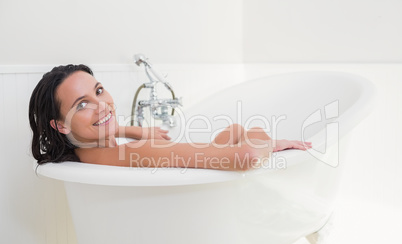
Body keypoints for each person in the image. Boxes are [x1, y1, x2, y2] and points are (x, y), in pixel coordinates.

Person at [29, 64, 312, 171]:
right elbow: (248, 156)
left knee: (234, 129)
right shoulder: (136, 153)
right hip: (197, 216)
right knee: (248, 131)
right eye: (82, 105)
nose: (102, 106)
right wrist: (268, 142)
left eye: (99, 91)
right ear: (60, 124)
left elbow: (101, 132)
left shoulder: (84, 154)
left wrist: (138, 131)